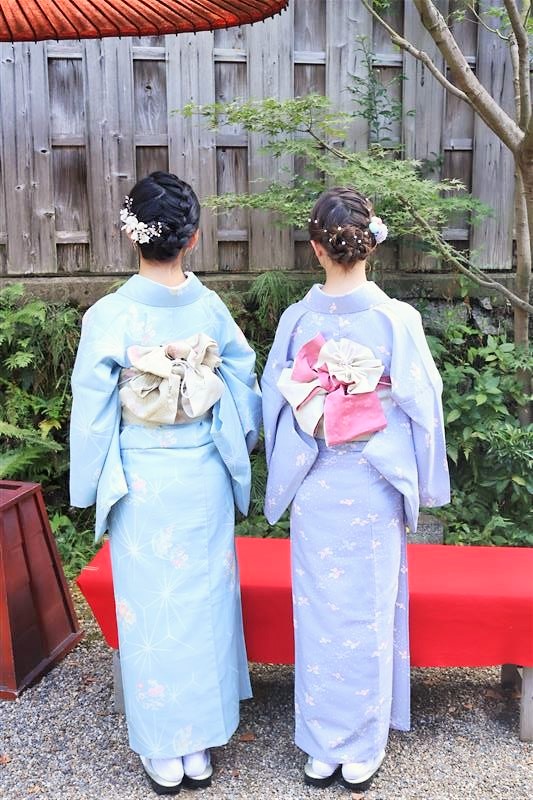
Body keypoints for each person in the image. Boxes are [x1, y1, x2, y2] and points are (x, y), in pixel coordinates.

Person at [69, 171, 261, 795]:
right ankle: (199, 743)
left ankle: (164, 747)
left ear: (131, 235)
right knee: (203, 604)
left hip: (141, 479)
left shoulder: (109, 315)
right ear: (193, 238)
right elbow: (242, 384)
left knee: (153, 606)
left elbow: (92, 410)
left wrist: (87, 485)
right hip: (202, 474)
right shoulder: (210, 309)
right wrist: (232, 435)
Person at [262, 187, 450, 791]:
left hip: (317, 479)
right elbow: (423, 406)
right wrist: (426, 485)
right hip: (373, 483)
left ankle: (325, 747)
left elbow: (274, 403)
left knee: (321, 610)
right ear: (373, 245)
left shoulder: (297, 321)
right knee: (366, 610)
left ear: (316, 247)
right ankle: (359, 746)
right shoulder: (397, 319)